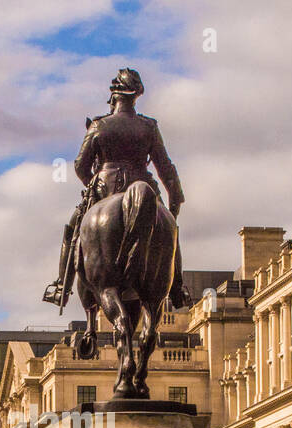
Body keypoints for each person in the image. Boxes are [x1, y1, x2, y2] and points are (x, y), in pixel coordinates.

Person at [43, 67, 190, 311]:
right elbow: (166, 169)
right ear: (135, 96)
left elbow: (81, 166)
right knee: (170, 232)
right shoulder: (149, 127)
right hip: (143, 182)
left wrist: (94, 183)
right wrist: (175, 201)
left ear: (115, 96)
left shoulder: (99, 125)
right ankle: (177, 288)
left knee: (72, 229)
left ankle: (61, 287)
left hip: (105, 187)